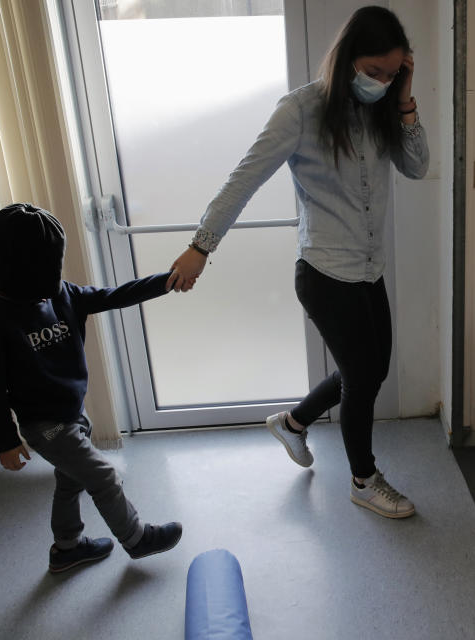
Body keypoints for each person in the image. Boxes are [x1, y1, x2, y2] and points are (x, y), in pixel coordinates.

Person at [167, 6, 429, 518]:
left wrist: (403, 99)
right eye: (374, 71)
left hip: (369, 269)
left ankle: (291, 424)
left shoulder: (384, 107)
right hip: (326, 274)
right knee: (362, 377)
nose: (381, 81)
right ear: (348, 59)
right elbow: (242, 180)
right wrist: (201, 247)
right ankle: (363, 479)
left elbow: (418, 167)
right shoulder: (300, 111)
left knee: (370, 372)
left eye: (393, 72)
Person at [0, 203, 183, 573]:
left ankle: (67, 548)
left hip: (71, 413)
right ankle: (136, 538)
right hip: (44, 426)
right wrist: (4, 440)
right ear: (15, 263)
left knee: (70, 482)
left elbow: (115, 295)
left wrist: (167, 281)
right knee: (101, 475)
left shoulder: (62, 294)